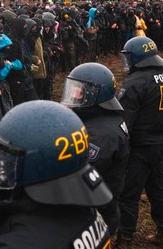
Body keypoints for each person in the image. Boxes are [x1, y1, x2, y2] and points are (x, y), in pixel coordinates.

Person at [0, 101, 112, 248]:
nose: (4, 166)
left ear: (39, 166)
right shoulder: (88, 209)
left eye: (10, 161)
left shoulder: (16, 243)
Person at [117, 36, 163, 248]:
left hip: (141, 146)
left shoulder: (136, 82)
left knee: (129, 195)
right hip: (161, 142)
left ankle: (124, 239)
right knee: (157, 189)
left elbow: (125, 121)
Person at [61, 62, 129, 236]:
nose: (73, 95)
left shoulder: (101, 135)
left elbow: (78, 177)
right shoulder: (101, 118)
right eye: (72, 89)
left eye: (79, 90)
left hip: (95, 214)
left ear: (95, 94)